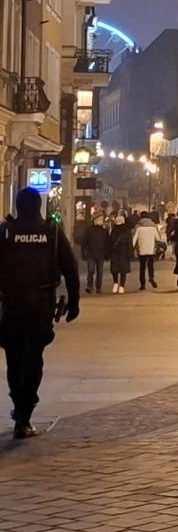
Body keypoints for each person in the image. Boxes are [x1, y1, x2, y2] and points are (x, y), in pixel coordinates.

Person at [0, 188, 80, 439]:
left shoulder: (5, 232)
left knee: (14, 358)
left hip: (11, 303)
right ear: (39, 206)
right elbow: (70, 268)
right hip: (40, 303)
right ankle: (25, 414)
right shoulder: (52, 233)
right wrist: (74, 302)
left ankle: (18, 406)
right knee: (34, 357)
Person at [82, 214, 109, 294]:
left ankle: (98, 287)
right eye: (99, 219)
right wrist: (84, 252)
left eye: (101, 219)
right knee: (91, 270)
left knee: (100, 272)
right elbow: (84, 242)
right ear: (95, 220)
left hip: (101, 254)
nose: (101, 220)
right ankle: (89, 286)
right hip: (91, 254)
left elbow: (107, 243)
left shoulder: (104, 231)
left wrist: (107, 254)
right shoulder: (89, 230)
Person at [133, 212, 160, 290]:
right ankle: (151, 277)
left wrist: (133, 249)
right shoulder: (154, 226)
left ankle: (142, 284)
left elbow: (134, 240)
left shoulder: (138, 227)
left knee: (142, 267)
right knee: (151, 265)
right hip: (151, 249)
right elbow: (158, 238)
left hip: (142, 250)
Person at [108, 214, 132, 294]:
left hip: (115, 253)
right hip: (123, 253)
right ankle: (122, 286)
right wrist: (130, 253)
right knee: (123, 271)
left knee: (115, 270)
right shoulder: (127, 231)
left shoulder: (113, 231)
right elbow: (130, 243)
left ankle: (115, 284)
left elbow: (109, 242)